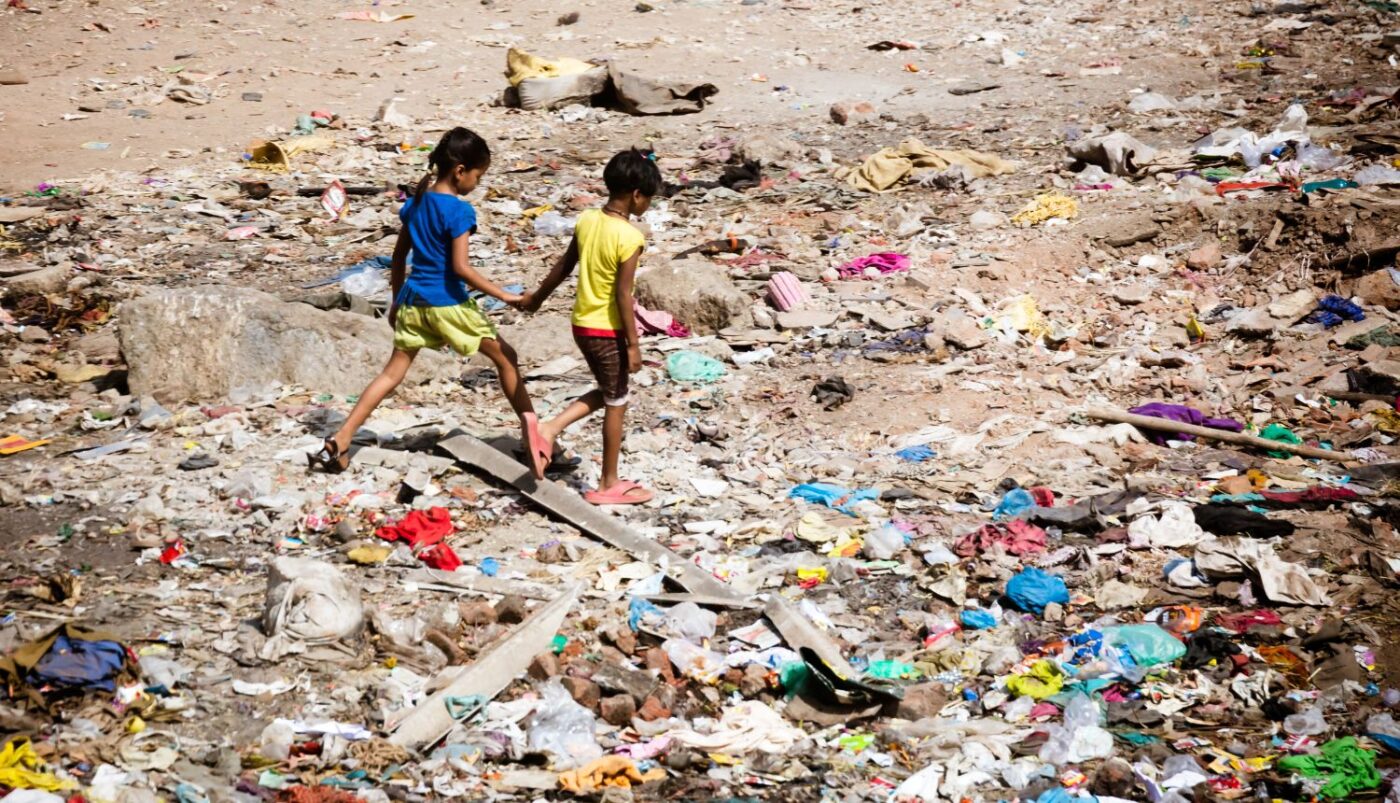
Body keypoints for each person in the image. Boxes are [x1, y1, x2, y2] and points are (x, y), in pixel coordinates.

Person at [309, 127, 551, 478]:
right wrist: (506, 295)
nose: (476, 184)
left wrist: (395, 302)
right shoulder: (459, 212)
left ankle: (343, 437)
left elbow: (397, 258)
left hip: (412, 302)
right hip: (447, 304)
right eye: (478, 176)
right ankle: (535, 435)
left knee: (392, 373)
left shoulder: (415, 204)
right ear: (460, 170)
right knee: (506, 359)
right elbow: (461, 268)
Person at [520, 149, 661, 505]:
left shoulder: (586, 220)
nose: (647, 206)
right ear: (636, 195)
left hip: (581, 324)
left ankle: (549, 429)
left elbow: (564, 266)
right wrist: (633, 345)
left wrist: (538, 297)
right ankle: (607, 483)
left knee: (611, 388)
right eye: (649, 198)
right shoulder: (629, 238)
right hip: (607, 330)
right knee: (617, 402)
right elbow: (622, 295)